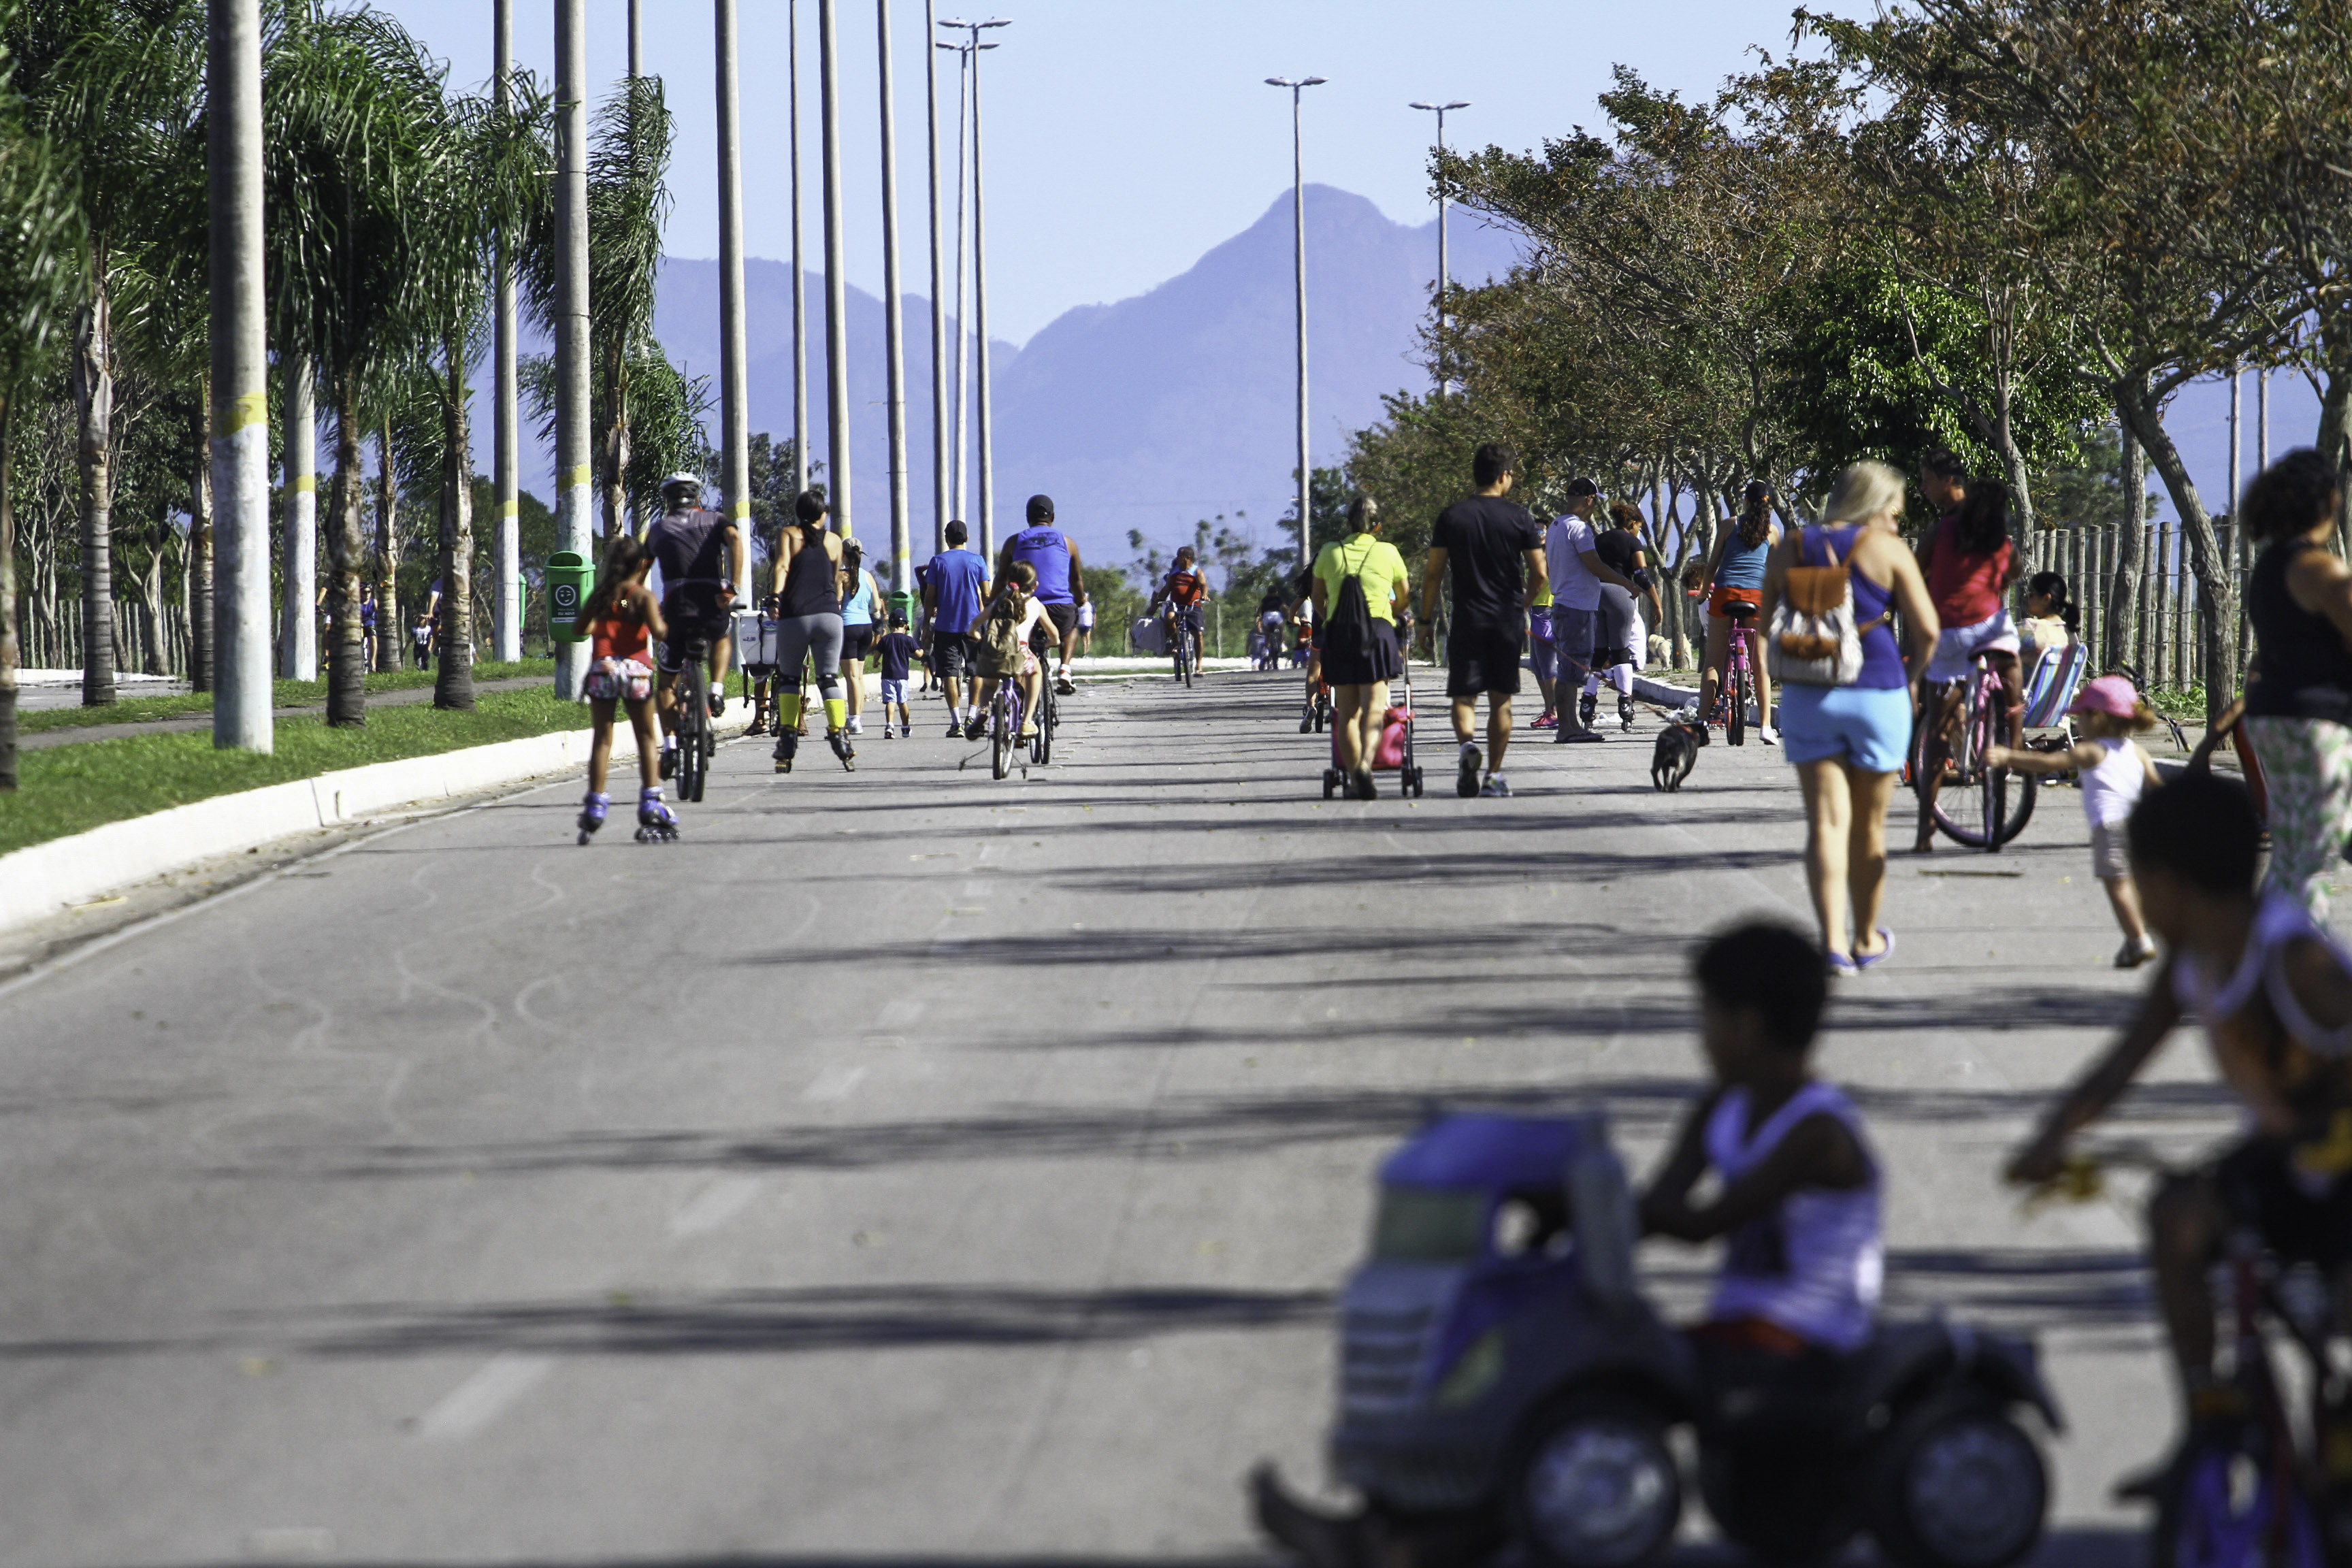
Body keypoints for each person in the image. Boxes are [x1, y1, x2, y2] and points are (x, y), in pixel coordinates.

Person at [2006, 772, 2352, 1488]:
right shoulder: (2192, 965)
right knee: (2177, 1219)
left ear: (2168, 882)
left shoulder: (2296, 960)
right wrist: (2051, 1140)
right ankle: (2209, 1414)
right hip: (2289, 1161)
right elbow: (2118, 1067)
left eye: (2139, 876)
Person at [1640, 921, 1880, 1354]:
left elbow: (1701, 1225)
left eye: (1707, 1016)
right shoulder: (1722, 1107)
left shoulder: (1818, 1132)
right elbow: (1661, 1201)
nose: (1702, 1037)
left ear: (1746, 1026)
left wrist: (1590, 1201)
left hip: (1813, 1344)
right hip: (1740, 1333)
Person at [1759, 460, 1940, 973]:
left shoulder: (1789, 547)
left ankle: (1832, 944)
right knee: (1870, 829)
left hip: (1810, 696)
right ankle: (1865, 939)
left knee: (1825, 824)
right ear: (1876, 506)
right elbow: (1927, 631)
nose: (1898, 525)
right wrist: (1912, 678)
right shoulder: (1889, 550)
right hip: (1878, 695)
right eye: (1896, 514)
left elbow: (1766, 624)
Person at [2240, 448, 2352, 919]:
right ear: (2332, 500)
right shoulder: (2319, 570)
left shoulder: (2268, 567)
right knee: (2315, 859)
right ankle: (2298, 973)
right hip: (2316, 728)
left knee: (2292, 854)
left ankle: (2261, 959)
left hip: (2274, 720)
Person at [1987, 674, 2167, 966]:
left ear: (2096, 718)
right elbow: (2158, 789)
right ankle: (2145, 933)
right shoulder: (2138, 752)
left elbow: (2047, 763)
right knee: (2133, 882)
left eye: (2080, 716)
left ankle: (2138, 940)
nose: (2077, 723)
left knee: (2117, 885)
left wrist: (2009, 756)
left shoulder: (2092, 750)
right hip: (2137, 827)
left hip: (2110, 828)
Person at [1422, 444, 1551, 796]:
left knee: (1464, 698)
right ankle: (1493, 775)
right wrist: (1521, 605)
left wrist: (1424, 621)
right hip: (1505, 621)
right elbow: (1539, 573)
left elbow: (1433, 574)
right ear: (1503, 475)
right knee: (1501, 701)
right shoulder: (1520, 517)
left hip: (1467, 618)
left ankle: (1467, 747)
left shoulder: (1452, 517)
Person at [1911, 455, 2023, 855]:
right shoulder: (1997, 538)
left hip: (1950, 634)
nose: (1923, 488)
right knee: (2011, 663)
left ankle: (1925, 832)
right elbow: (2013, 574)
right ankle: (2016, 737)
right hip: (1990, 628)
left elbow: (1913, 573)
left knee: (1938, 731)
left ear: (1946, 480)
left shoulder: (1939, 532)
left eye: (1926, 480)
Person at [571, 534, 675, 843]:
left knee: (603, 738)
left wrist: (602, 625)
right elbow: (658, 632)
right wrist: (670, 627)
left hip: (603, 669)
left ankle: (595, 806)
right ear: (642, 564)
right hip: (635, 671)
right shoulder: (640, 596)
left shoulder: (602, 595)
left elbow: (580, 628)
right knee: (645, 736)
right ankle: (651, 801)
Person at [1313, 495, 1411, 800]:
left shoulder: (1329, 552)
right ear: (1378, 525)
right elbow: (1404, 596)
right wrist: (1390, 616)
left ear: (1347, 524)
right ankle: (1366, 765)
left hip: (1340, 635)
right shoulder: (1388, 552)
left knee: (1347, 712)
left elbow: (1317, 599)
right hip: (1378, 632)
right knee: (1373, 709)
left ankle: (1356, 776)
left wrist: (1330, 617)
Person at [645, 472, 741, 779]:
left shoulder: (659, 529)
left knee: (666, 682)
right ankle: (715, 689)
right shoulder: (715, 520)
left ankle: (671, 746)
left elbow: (640, 569)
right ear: (697, 497)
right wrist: (734, 585)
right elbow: (736, 540)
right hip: (712, 602)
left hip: (677, 607)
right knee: (723, 633)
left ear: (668, 500)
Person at [1543, 477, 1635, 745]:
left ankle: (1570, 725)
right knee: (1571, 670)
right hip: (1576, 608)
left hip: (1564, 603)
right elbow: (1595, 566)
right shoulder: (1579, 529)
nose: (1595, 507)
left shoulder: (1556, 526)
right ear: (1588, 500)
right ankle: (1567, 728)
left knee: (1569, 670)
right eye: (1594, 502)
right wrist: (1627, 583)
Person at [769, 488, 852, 773]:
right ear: (822, 514)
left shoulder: (789, 535)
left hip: (796, 617)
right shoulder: (835, 541)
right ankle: (840, 736)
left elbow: (782, 566)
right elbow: (833, 579)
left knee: (790, 678)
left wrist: (775, 597)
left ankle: (787, 742)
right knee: (828, 678)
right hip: (830, 617)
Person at [1698, 480, 1782, 747]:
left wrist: (1702, 592)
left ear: (1745, 500)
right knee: (1761, 666)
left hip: (1724, 594)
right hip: (1758, 599)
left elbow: (1712, 565)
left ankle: (1701, 724)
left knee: (1713, 663)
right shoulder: (1773, 531)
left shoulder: (1728, 525)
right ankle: (1766, 727)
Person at [1586, 501, 1665, 733]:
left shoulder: (1599, 539)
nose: (1638, 530)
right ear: (1632, 523)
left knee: (1599, 652)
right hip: (1621, 594)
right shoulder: (1632, 541)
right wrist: (1657, 604)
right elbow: (1641, 575)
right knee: (1621, 651)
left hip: (1595, 594)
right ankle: (1626, 704)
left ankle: (1588, 703)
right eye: (1639, 526)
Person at [999, 494, 1088, 696]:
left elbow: (1000, 579)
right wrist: (1080, 599)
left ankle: (1021, 691)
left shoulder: (1014, 542)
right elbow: (1076, 579)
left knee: (1022, 642)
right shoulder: (1068, 542)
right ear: (1053, 517)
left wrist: (989, 600)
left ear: (1027, 517)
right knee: (1071, 627)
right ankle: (1065, 668)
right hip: (1059, 607)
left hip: (1025, 606)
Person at [924, 519, 991, 738]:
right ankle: (972, 715)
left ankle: (956, 722)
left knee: (949, 675)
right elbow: (987, 595)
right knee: (976, 672)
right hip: (974, 626)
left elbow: (930, 595)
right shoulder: (978, 561)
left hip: (945, 626)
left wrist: (926, 625)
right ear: (967, 538)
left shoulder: (937, 562)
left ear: (946, 539)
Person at [977, 561, 1054, 740]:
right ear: (1035, 586)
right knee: (1036, 671)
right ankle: (1026, 722)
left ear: (1008, 582)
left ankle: (983, 711)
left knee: (989, 685)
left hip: (996, 654)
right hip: (1020, 654)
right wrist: (1052, 641)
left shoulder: (999, 603)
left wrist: (976, 635)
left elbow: (975, 623)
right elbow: (1055, 634)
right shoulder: (1035, 604)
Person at [837, 539, 881, 736]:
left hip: (848, 628)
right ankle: (856, 718)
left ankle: (854, 721)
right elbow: (877, 607)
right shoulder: (868, 576)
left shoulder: (842, 576)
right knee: (859, 676)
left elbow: (837, 603)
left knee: (851, 677)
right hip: (866, 628)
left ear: (843, 554)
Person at [1152, 546, 1211, 677]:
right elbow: (1168, 588)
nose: (1177, 559)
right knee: (1169, 617)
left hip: (1193, 605)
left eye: (1180, 556)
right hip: (1177, 605)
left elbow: (1203, 586)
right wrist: (1160, 599)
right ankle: (1176, 643)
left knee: (1198, 634)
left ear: (1187, 558)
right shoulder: (1174, 572)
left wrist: (1204, 595)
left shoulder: (1197, 571)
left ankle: (1199, 664)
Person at [2015, 570, 2076, 674]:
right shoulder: (2069, 633)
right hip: (2057, 690)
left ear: (2046, 599)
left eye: (2031, 594)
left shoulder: (2030, 627)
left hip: (2025, 689)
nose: (2025, 597)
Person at [875, 612, 917, 738]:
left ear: (890, 626)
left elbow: (877, 653)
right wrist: (923, 651)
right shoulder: (908, 640)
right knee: (903, 702)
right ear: (905, 626)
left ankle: (890, 725)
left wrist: (875, 662)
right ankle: (905, 728)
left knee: (890, 701)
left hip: (887, 676)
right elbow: (919, 654)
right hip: (902, 677)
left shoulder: (885, 639)